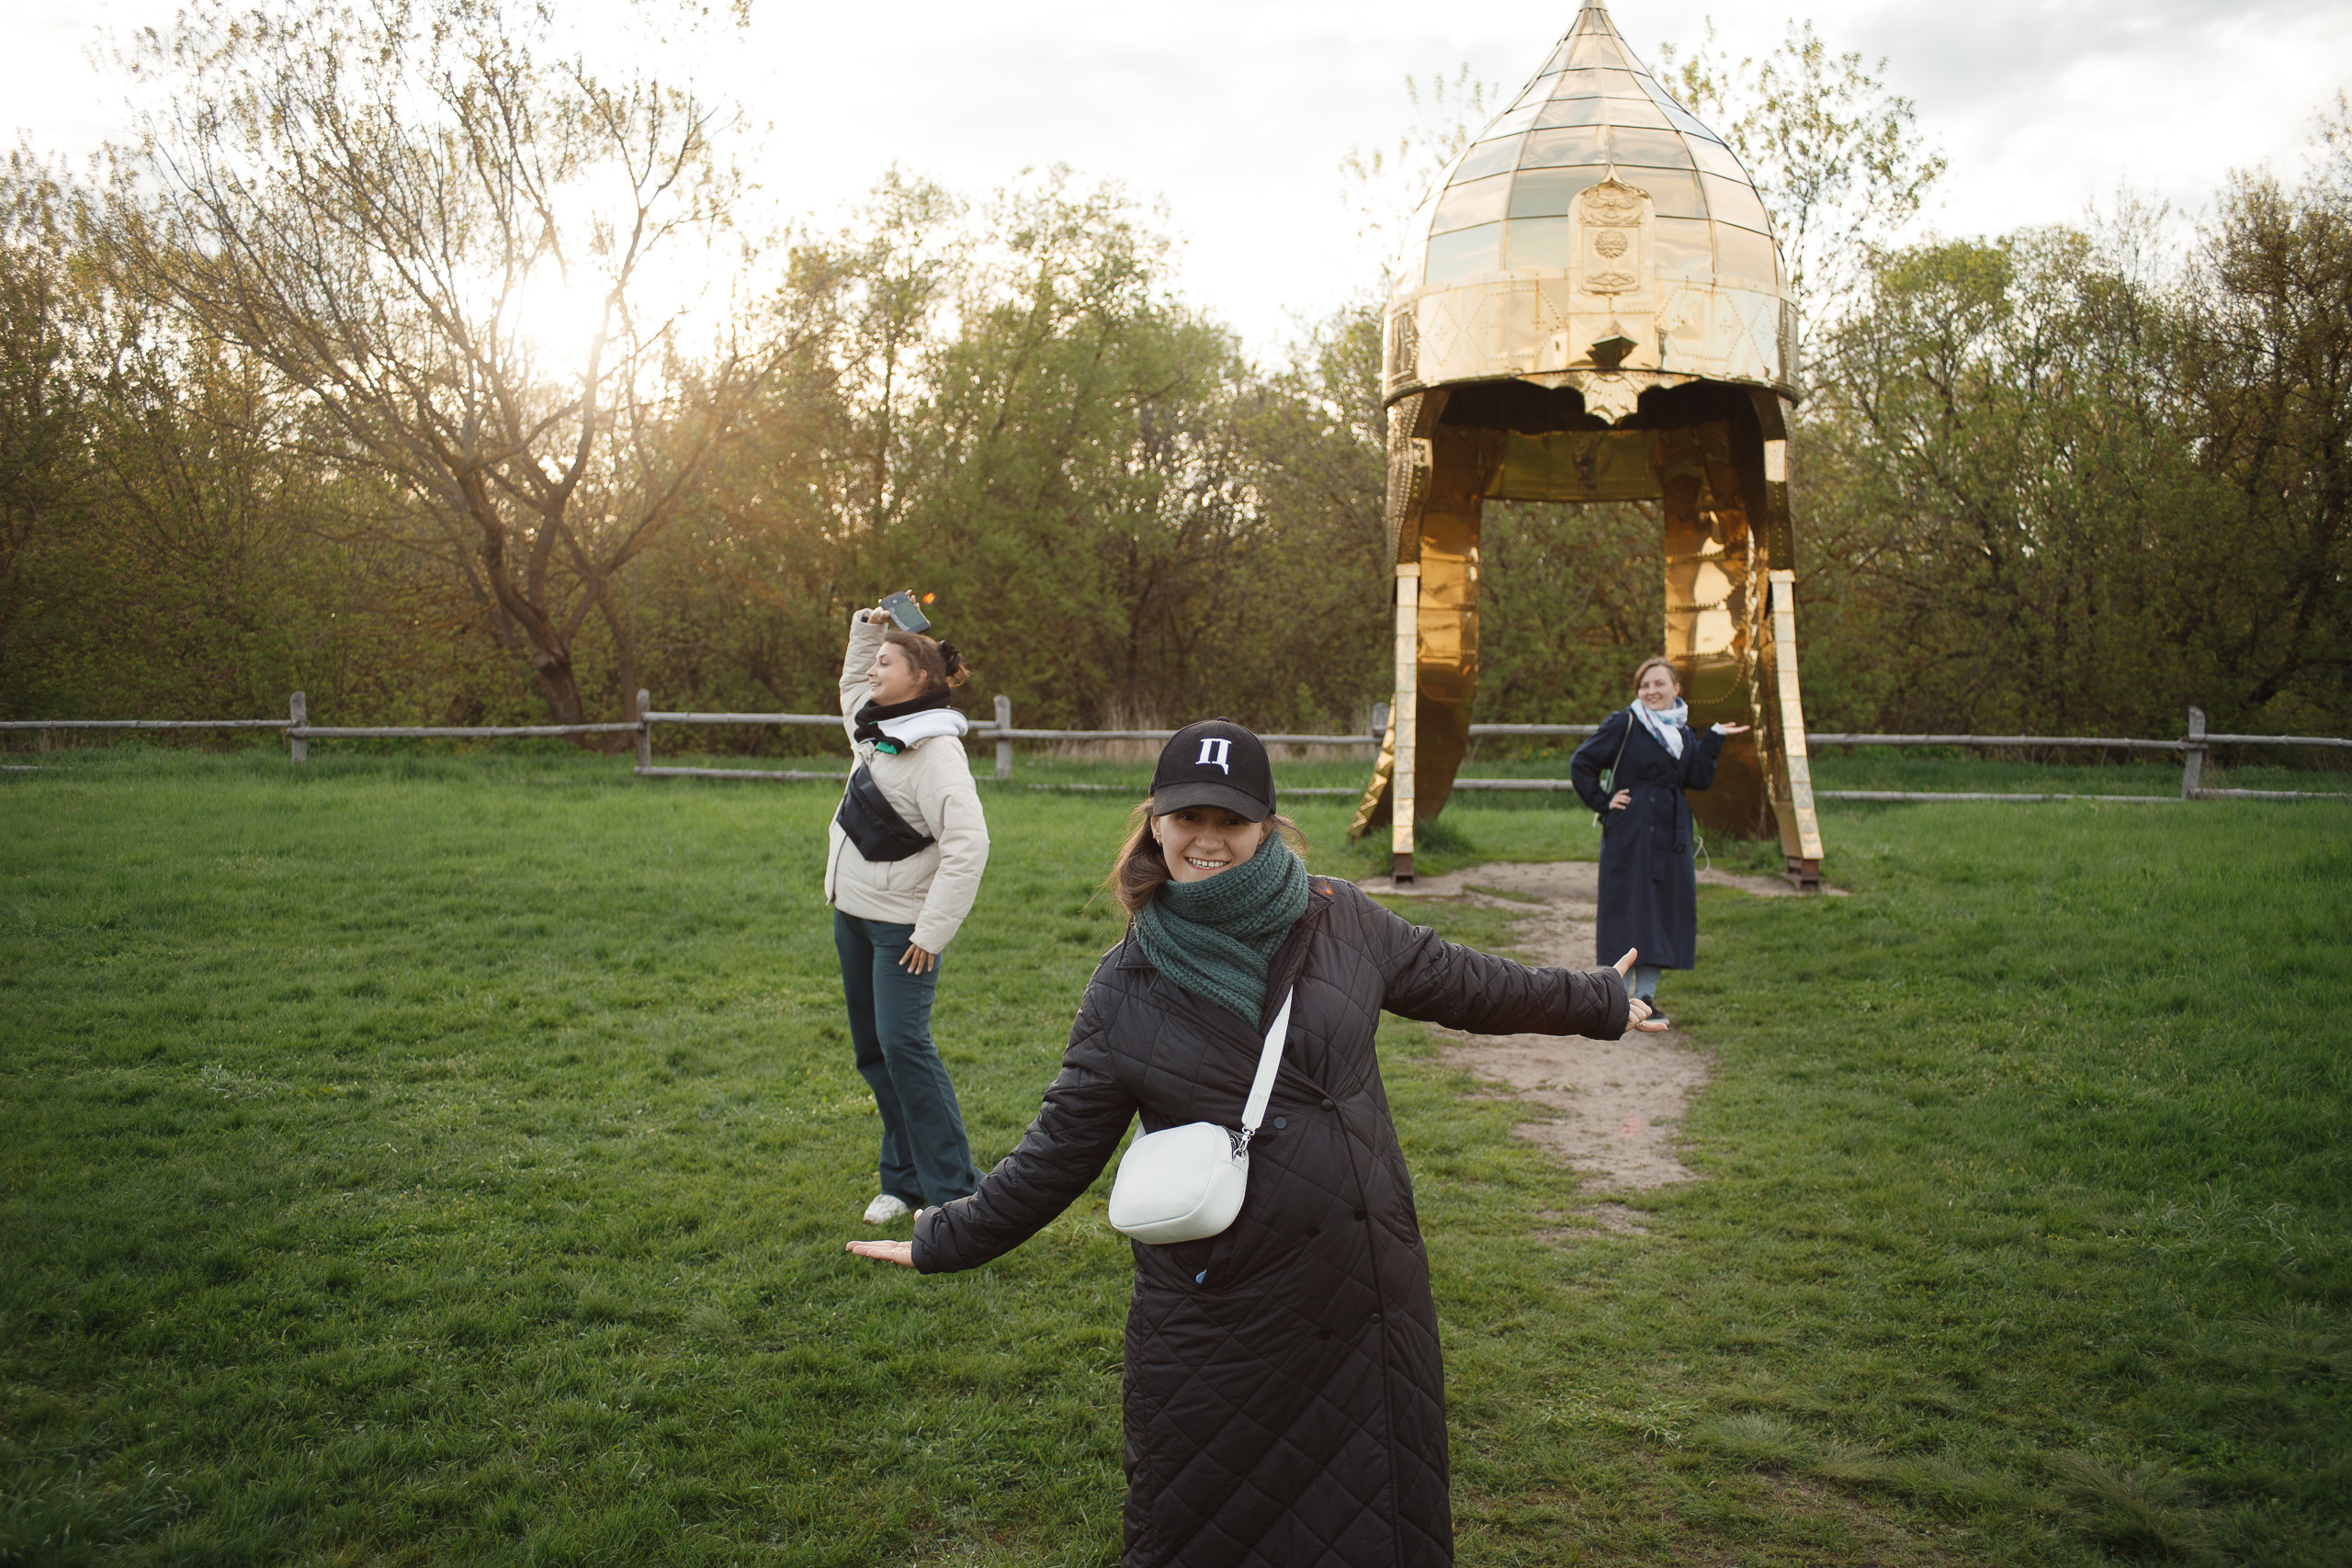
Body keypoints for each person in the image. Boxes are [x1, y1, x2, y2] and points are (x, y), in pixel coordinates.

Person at [849, 719, 1647, 1567]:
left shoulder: (1343, 919)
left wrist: (1592, 1000)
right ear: (1154, 821)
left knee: (1375, 1522)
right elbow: (1058, 1151)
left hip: (1362, 1298)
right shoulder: (1125, 986)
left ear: (1266, 824)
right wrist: (945, 1236)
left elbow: (1466, 983)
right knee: (1210, 1530)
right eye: (1187, 817)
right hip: (1223, 1317)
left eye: (1229, 820)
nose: (1207, 839)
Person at [829, 603, 990, 1226]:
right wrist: (868, 629)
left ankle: (956, 1194)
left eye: (886, 661)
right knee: (875, 1051)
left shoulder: (935, 753)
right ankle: (901, 1181)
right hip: (852, 916)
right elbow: (849, 684)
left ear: (919, 678)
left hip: (903, 932)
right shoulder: (874, 728)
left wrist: (931, 931)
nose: (873, 670)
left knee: (906, 1047)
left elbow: (969, 845)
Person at [1568, 656, 1748, 1032]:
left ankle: (1646, 997)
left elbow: (1697, 778)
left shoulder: (1682, 731)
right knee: (1627, 908)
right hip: (1631, 830)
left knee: (1662, 913)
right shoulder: (1626, 723)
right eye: (1644, 685)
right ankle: (1612, 996)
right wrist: (1605, 803)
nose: (1651, 691)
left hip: (1671, 833)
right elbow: (1582, 762)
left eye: (1659, 684)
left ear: (1676, 689)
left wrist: (1712, 739)